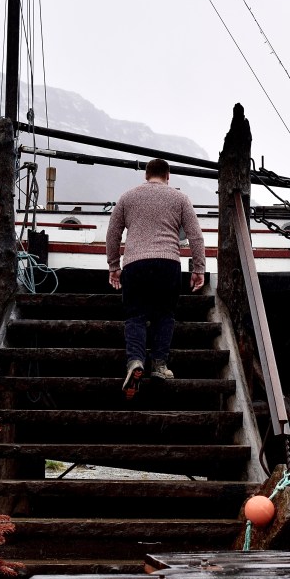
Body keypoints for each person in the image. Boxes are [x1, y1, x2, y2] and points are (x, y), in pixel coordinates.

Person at [106, 159, 206, 400]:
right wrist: (199, 269)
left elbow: (113, 232)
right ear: (168, 175)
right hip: (168, 264)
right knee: (164, 315)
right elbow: (195, 236)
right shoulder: (180, 199)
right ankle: (160, 366)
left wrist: (113, 266)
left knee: (135, 316)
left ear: (146, 175)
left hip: (135, 264)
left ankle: (136, 361)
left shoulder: (127, 197)